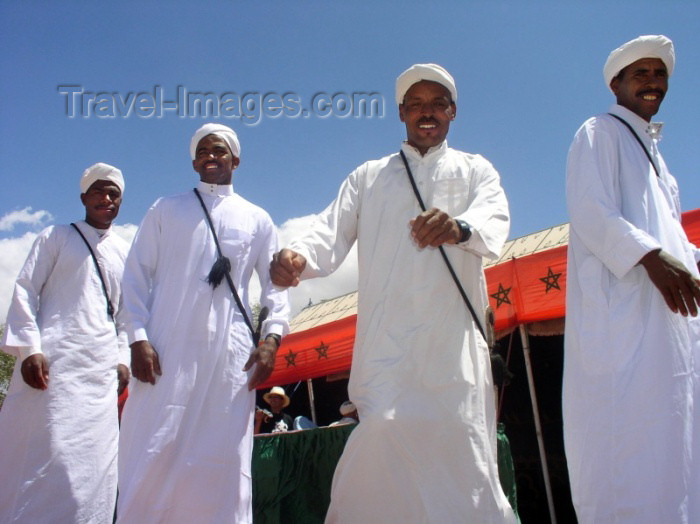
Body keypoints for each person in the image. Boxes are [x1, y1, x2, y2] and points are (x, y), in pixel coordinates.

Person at [271, 63, 516, 522]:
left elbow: (494, 219)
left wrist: (459, 227)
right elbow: (327, 233)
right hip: (388, 347)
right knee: (381, 436)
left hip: (453, 347)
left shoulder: (475, 169)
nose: (427, 113)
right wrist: (298, 256)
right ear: (401, 113)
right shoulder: (369, 176)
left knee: (461, 447)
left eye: (437, 104)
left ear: (453, 112)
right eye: (417, 104)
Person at [116, 123, 289, 523]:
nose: (212, 156)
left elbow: (275, 287)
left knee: (222, 459)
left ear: (236, 160)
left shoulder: (257, 219)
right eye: (204, 151)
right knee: (154, 449)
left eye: (220, 150)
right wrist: (138, 337)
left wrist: (271, 339)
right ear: (194, 161)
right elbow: (135, 276)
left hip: (228, 361)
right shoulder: (165, 209)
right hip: (166, 352)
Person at [563, 35, 700, 523]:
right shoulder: (598, 132)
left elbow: (676, 243)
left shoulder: (660, 161)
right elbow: (590, 212)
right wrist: (650, 256)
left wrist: (685, 258)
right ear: (616, 83)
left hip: (668, 333)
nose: (651, 82)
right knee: (628, 450)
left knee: (675, 448)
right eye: (639, 74)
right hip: (624, 330)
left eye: (658, 74)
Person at [0, 163, 130, 522]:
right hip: (52, 367)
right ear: (83, 197)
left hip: (99, 374)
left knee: (94, 465)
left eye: (113, 193)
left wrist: (123, 359)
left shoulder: (125, 252)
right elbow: (26, 290)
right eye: (98, 191)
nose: (106, 198)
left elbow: (126, 315)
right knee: (46, 453)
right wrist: (30, 349)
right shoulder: (56, 236)